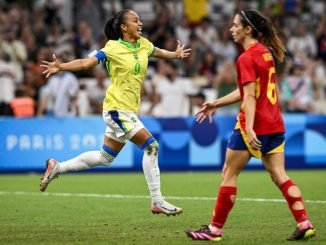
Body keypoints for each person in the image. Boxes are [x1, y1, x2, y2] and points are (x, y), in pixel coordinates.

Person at [39, 9, 190, 216]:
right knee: (152, 147)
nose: (140, 24)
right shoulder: (112, 48)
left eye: (140, 20)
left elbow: (158, 52)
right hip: (116, 109)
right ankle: (157, 200)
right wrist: (62, 67)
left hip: (128, 111)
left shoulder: (144, 44)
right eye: (135, 20)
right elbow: (85, 62)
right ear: (123, 27)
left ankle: (56, 167)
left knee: (105, 158)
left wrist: (175, 55)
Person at [186, 9, 315, 241]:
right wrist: (216, 102)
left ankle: (214, 229)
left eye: (235, 25)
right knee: (279, 175)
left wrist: (249, 128)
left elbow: (249, 97)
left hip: (253, 123)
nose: (231, 29)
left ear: (248, 30)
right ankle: (304, 222)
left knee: (228, 173)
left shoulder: (245, 58)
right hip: (275, 123)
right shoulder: (265, 53)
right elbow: (250, 90)